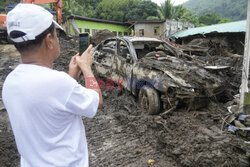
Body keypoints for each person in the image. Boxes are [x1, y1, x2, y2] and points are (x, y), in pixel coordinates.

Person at [2, 3, 102, 167]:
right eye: (56, 35)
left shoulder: (10, 82)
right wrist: (86, 68)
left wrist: (72, 76)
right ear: (49, 41)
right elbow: (96, 101)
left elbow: (53, 103)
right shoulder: (58, 83)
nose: (58, 41)